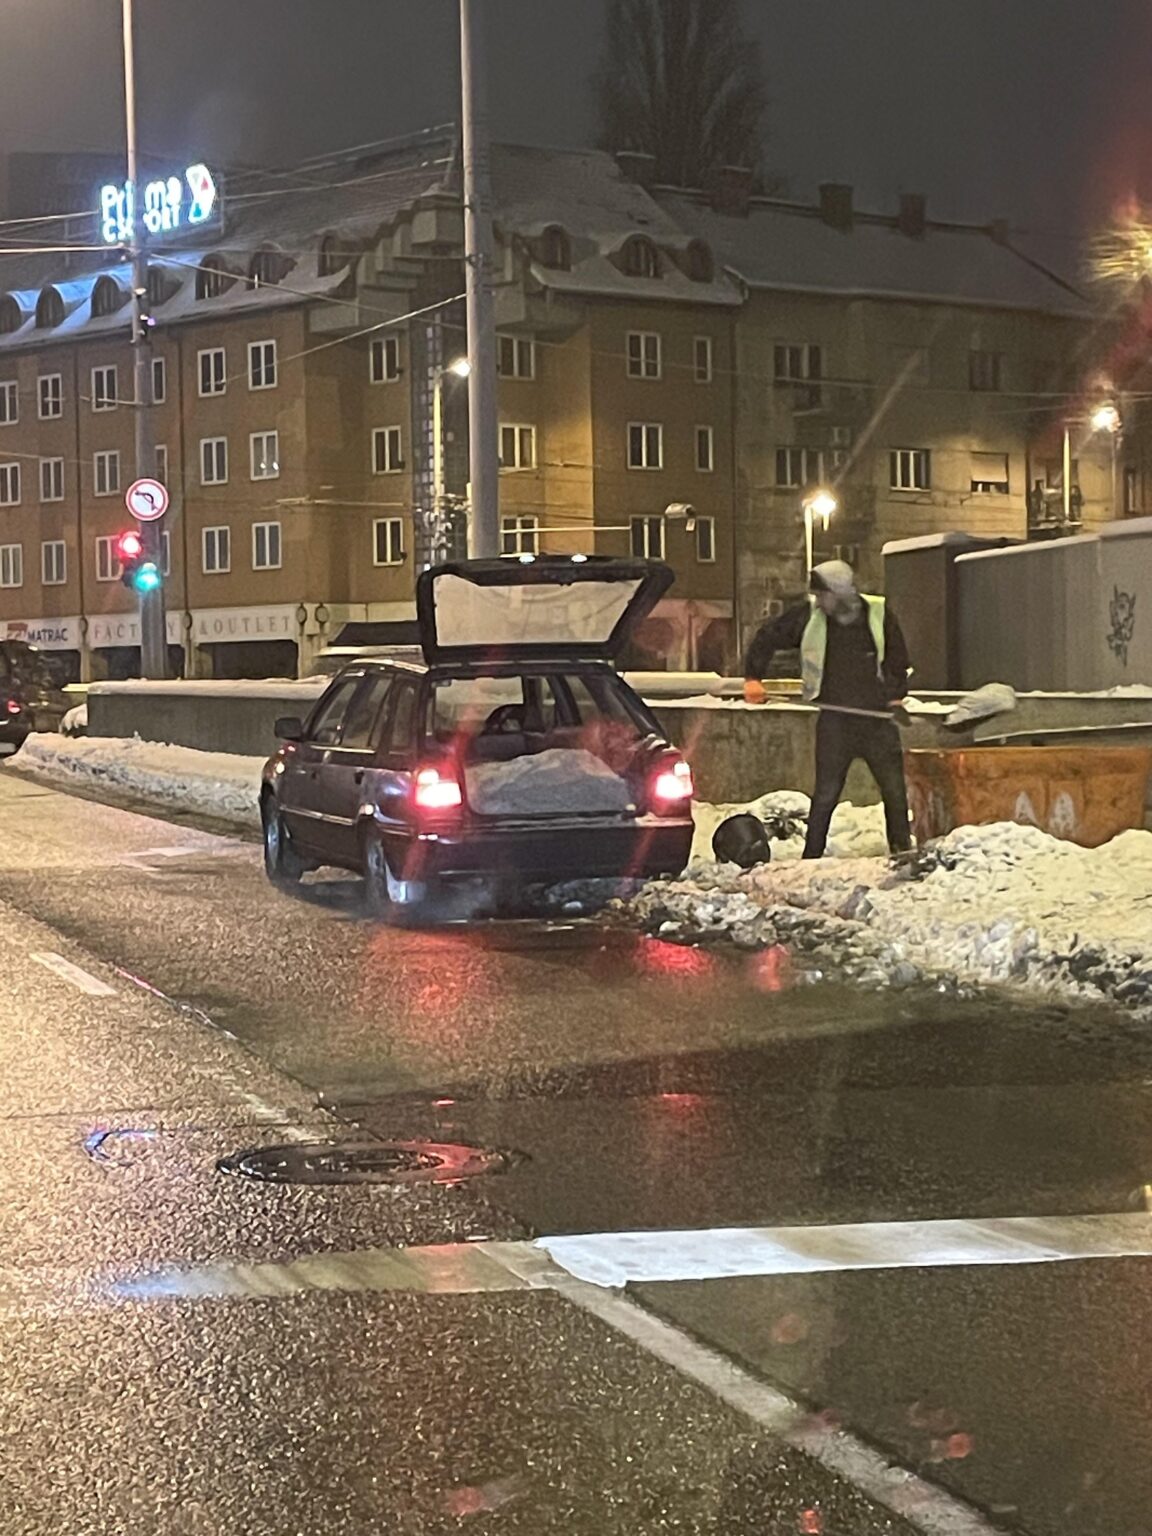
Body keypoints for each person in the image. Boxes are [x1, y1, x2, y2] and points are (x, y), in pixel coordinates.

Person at [743, 559, 913, 859]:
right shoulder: (809, 617)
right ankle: (812, 857)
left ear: (840, 592)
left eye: (824, 595)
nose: (819, 602)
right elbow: (767, 637)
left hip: (876, 721)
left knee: (895, 793)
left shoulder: (879, 614)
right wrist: (754, 677)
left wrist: (895, 697)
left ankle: (902, 853)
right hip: (835, 721)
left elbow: (897, 660)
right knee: (825, 795)